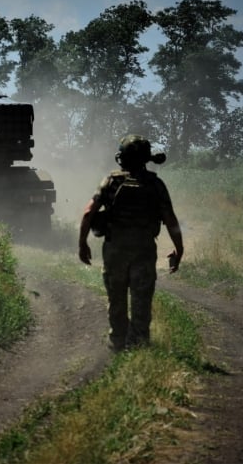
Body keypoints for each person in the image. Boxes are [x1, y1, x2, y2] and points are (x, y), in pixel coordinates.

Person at [78, 135, 184, 351]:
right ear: (146, 158)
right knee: (141, 300)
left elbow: (89, 212)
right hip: (144, 250)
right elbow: (170, 219)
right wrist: (179, 249)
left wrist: (82, 243)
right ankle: (138, 346)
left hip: (114, 249)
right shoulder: (155, 184)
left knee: (116, 298)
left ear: (122, 157)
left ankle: (118, 341)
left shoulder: (110, 181)